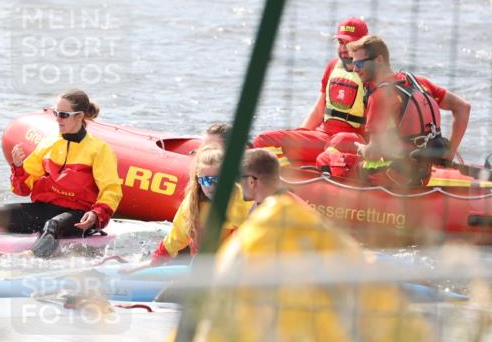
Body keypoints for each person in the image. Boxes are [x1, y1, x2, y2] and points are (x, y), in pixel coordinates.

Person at [0, 89, 123, 257]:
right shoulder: (49, 143)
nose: (58, 119)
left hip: (79, 216)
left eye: (63, 115)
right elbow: (22, 190)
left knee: (53, 225)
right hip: (45, 209)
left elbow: (112, 190)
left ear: (79, 116)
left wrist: (96, 214)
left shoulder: (100, 150)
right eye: (56, 113)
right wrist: (18, 167)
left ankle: (30, 256)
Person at [315, 35, 471, 189]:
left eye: (360, 64)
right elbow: (463, 108)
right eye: (354, 64)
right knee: (344, 139)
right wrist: (449, 154)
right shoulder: (417, 82)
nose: (355, 69)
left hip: (392, 177)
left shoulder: (379, 96)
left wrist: (362, 150)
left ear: (379, 60)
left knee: (326, 158)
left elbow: (373, 154)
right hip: (423, 177)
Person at [253, 17, 370, 165]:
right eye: (341, 42)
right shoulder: (333, 66)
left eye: (350, 43)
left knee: (342, 140)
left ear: (363, 44)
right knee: (262, 140)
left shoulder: (370, 74)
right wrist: (300, 133)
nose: (344, 49)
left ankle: (332, 164)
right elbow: (319, 109)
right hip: (321, 139)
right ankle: (286, 174)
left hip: (351, 142)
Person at [150, 144, 251, 264]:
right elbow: (175, 239)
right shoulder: (192, 205)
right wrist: (155, 262)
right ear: (198, 180)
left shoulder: (243, 199)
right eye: (207, 180)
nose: (213, 187)